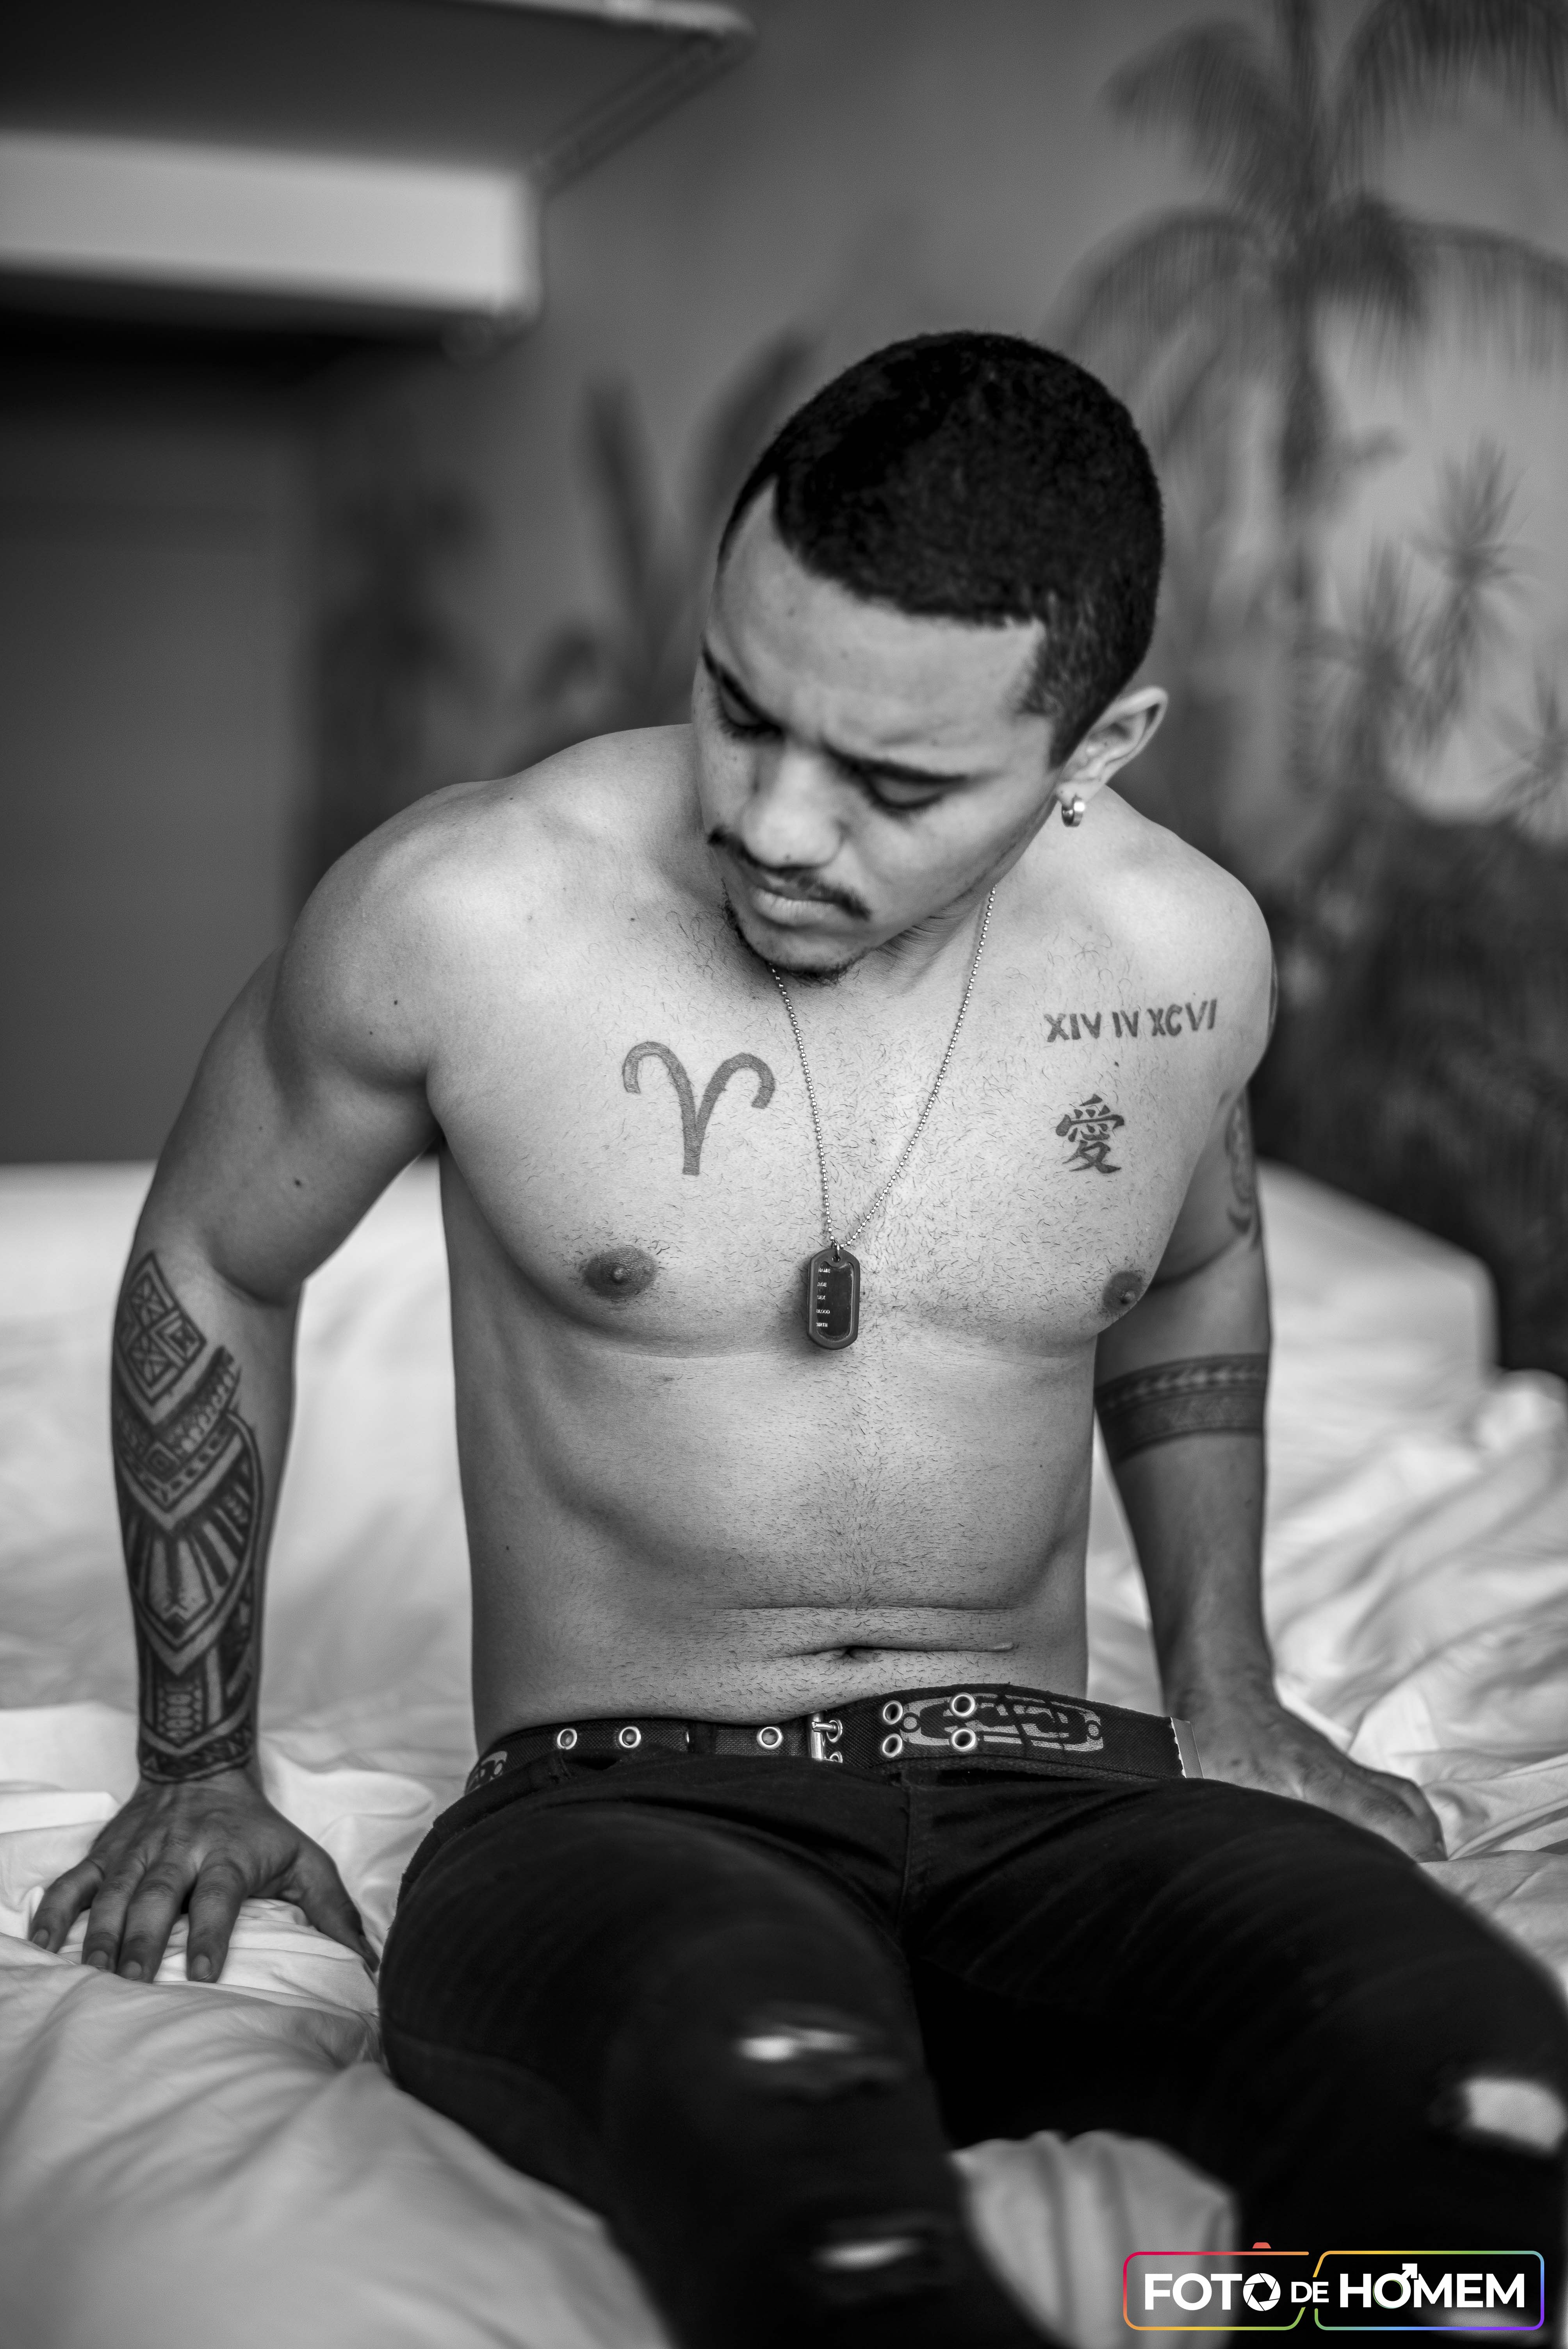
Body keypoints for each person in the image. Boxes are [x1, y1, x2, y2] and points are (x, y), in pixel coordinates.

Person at [33, 335, 1566, 2347]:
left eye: (894, 785)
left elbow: (1192, 1265)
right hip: (619, 1814)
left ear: (1099, 748)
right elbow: (217, 1258)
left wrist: (1231, 1687)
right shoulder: (467, 911)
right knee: (823, 2213)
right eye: (741, 709)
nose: (773, 823)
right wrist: (196, 1766)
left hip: (1055, 1788)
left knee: (1489, 2121)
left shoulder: (1182, 958)